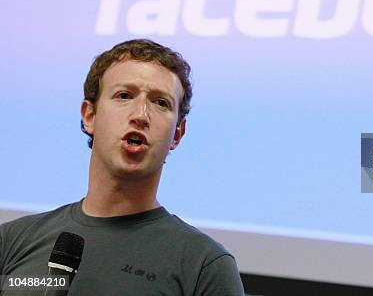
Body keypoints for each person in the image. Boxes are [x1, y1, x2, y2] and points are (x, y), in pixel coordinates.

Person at [0, 39, 245, 295]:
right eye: (124, 96)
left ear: (177, 135)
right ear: (90, 116)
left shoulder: (204, 266)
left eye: (161, 102)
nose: (141, 115)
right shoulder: (12, 241)